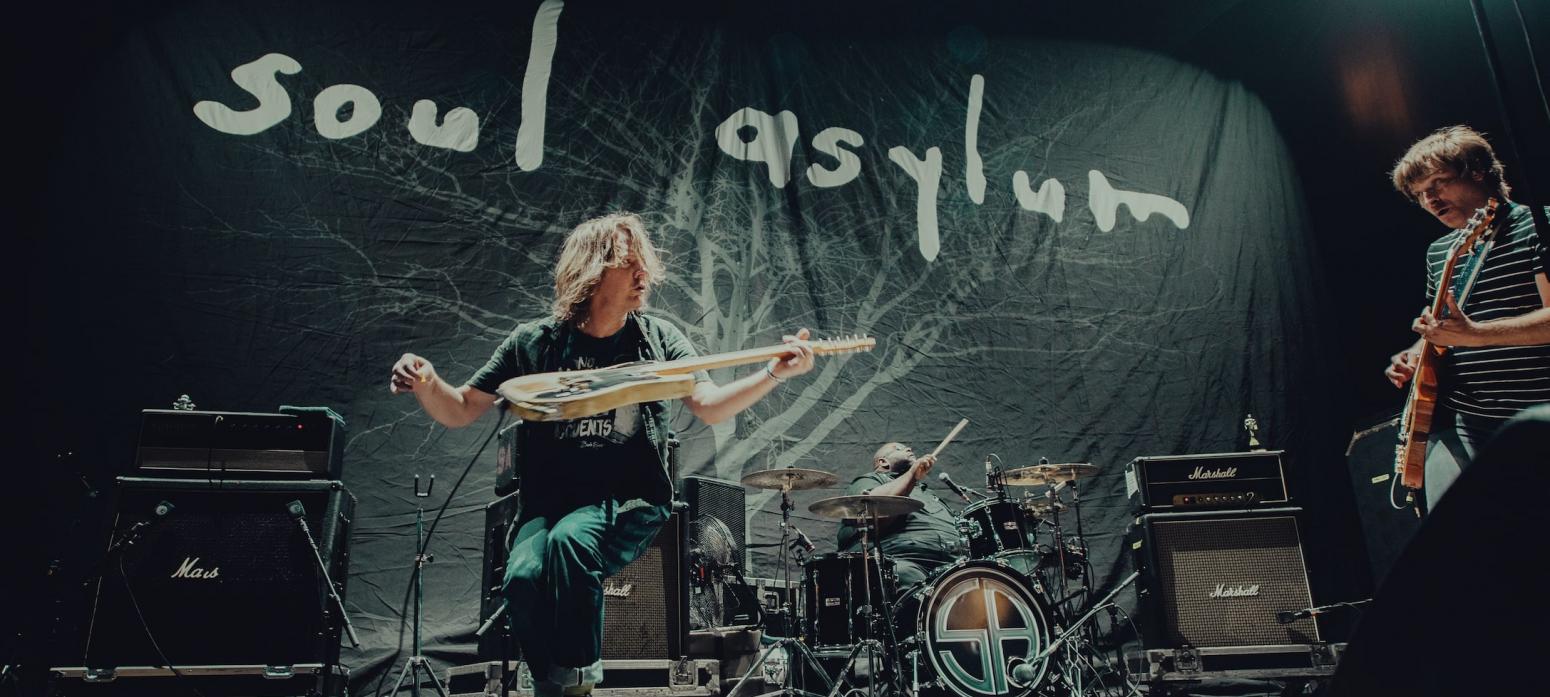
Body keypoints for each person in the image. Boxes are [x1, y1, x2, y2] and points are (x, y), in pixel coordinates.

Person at [389, 213, 815, 697]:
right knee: (522, 579)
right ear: (592, 271)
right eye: (629, 264)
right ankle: (551, 683)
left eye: (644, 265)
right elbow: (462, 407)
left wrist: (773, 373)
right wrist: (426, 382)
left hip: (629, 499)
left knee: (573, 542)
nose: (643, 276)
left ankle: (576, 684)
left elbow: (710, 405)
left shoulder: (657, 340)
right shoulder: (534, 344)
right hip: (548, 505)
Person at [1384, 125, 1550, 510]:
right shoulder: (1440, 251)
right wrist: (1414, 351)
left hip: (1538, 416)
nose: (1431, 200)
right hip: (1473, 423)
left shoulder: (1538, 225)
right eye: (1421, 195)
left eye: (1438, 183)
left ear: (1478, 171)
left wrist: (1475, 335)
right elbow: (1444, 326)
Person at [836, 443, 959, 588]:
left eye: (909, 448)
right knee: (909, 582)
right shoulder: (872, 480)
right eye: (899, 448)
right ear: (883, 462)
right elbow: (874, 507)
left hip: (954, 563)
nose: (909, 448)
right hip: (906, 561)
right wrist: (912, 474)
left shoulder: (927, 493)